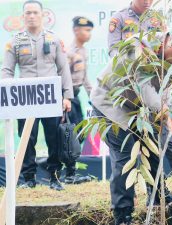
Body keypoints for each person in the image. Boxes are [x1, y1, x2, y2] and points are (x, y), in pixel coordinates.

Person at [90, 28, 172, 225]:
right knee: (125, 157)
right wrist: (166, 113)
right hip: (112, 107)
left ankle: (160, 195)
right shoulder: (139, 46)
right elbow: (144, 88)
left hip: (144, 109)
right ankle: (123, 215)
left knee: (154, 150)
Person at [1, 0, 74, 191]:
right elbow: (7, 70)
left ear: (42, 15)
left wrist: (67, 96)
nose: (31, 16)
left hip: (50, 97)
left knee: (53, 138)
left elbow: (63, 68)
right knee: (27, 138)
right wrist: (7, 97)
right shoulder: (14, 42)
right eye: (28, 13)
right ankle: (29, 178)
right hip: (25, 99)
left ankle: (54, 177)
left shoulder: (54, 39)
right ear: (23, 17)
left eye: (35, 12)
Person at [108, 0, 172, 176]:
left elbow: (165, 48)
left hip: (151, 83)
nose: (148, 2)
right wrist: (134, 60)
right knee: (128, 148)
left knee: (155, 138)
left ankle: (159, 188)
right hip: (128, 89)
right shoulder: (119, 19)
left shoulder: (158, 19)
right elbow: (113, 51)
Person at [64, 16, 95, 184]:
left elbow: (85, 78)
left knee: (79, 133)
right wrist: (65, 98)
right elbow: (63, 77)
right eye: (86, 30)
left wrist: (93, 96)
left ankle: (71, 171)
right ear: (76, 30)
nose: (89, 34)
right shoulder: (68, 52)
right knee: (70, 136)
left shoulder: (83, 51)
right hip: (67, 98)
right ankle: (69, 175)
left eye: (90, 31)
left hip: (76, 97)